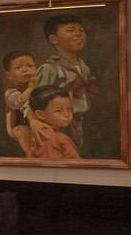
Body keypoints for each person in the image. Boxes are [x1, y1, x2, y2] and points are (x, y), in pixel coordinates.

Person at [34, 15, 97, 146]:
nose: (78, 34)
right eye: (70, 30)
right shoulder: (49, 68)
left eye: (81, 30)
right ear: (53, 39)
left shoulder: (84, 67)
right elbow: (35, 100)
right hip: (58, 126)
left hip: (79, 122)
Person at [22, 86, 81, 160]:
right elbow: (51, 167)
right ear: (40, 115)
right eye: (58, 111)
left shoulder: (55, 135)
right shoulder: (48, 137)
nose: (67, 114)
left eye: (69, 109)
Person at [0, 50, 38, 153]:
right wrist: (30, 89)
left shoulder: (39, 86)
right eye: (18, 68)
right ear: (9, 75)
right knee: (24, 132)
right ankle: (31, 155)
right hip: (17, 123)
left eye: (30, 66)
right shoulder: (10, 91)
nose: (25, 70)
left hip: (37, 121)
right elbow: (18, 102)